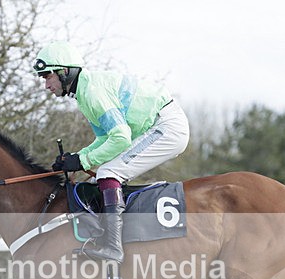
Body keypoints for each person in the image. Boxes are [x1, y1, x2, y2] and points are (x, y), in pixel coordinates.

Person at [33, 41, 190, 263]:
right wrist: (77, 157)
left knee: (108, 172)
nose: (46, 85)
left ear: (64, 72)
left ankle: (114, 246)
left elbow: (121, 137)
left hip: (166, 127)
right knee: (105, 172)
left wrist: (83, 161)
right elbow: (105, 138)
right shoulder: (85, 91)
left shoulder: (92, 93)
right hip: (160, 124)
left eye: (48, 77)